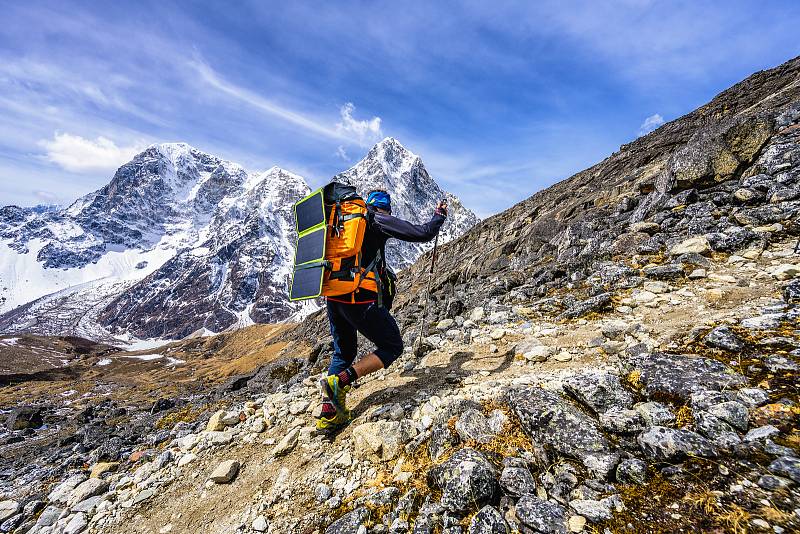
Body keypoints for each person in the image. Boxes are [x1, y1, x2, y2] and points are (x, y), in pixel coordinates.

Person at [316, 190, 447, 434]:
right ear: (385, 208)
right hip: (360, 298)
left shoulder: (343, 222)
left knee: (343, 352)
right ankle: (341, 381)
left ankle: (329, 416)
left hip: (334, 296)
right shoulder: (376, 219)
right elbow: (423, 233)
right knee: (392, 346)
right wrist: (438, 216)